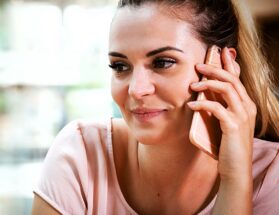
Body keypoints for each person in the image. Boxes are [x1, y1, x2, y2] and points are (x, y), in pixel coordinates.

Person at [31, 0, 279, 214]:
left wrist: (235, 179)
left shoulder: (272, 174)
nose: (136, 90)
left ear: (223, 67)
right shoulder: (80, 154)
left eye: (162, 62)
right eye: (120, 66)